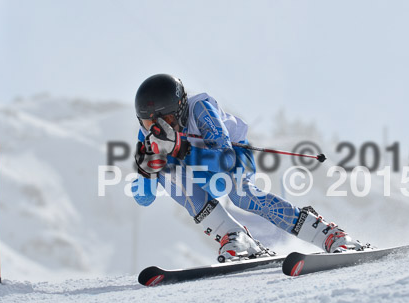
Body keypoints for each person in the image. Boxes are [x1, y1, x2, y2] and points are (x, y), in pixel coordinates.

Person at [131, 74, 364, 262]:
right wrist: (146, 172)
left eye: (167, 121)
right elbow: (143, 198)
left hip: (232, 158)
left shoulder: (200, 108)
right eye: (149, 123)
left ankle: (329, 234)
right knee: (165, 173)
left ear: (181, 108)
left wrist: (184, 150)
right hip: (199, 172)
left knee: (242, 195)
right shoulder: (148, 137)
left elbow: (226, 161)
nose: (158, 129)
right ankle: (237, 238)